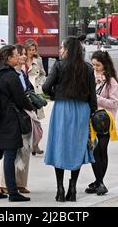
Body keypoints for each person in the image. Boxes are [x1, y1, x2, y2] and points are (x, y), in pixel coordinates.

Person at [43, 37, 97, 202]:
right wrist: (92, 111)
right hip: (81, 110)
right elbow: (92, 95)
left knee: (59, 144)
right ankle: (72, 187)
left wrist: (55, 94)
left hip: (62, 108)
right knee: (77, 146)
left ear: (67, 50)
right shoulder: (87, 68)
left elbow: (46, 87)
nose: (60, 50)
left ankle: (60, 188)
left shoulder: (59, 66)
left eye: (61, 48)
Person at [0, 45, 33, 202]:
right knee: (10, 154)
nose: (17, 57)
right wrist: (31, 106)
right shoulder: (10, 75)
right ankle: (13, 193)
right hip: (8, 119)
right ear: (8, 58)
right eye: (14, 55)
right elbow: (20, 98)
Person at [0, 44, 34, 195]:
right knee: (10, 151)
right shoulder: (9, 73)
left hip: (25, 114)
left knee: (25, 149)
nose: (24, 56)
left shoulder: (23, 72)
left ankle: (20, 183)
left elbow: (29, 89)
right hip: (15, 115)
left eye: (25, 54)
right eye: (20, 54)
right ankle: (5, 183)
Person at [85, 50, 118, 196]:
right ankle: (98, 182)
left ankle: (100, 182)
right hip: (91, 120)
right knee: (94, 151)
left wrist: (97, 98)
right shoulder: (90, 78)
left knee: (101, 151)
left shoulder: (111, 81)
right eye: (93, 65)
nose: (95, 68)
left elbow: (114, 103)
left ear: (105, 65)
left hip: (105, 121)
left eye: (98, 65)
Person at [24, 39, 46, 155]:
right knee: (26, 118)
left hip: (35, 92)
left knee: (36, 119)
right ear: (26, 50)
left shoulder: (38, 60)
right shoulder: (21, 60)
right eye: (30, 50)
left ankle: (36, 145)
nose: (32, 52)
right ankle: (28, 144)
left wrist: (40, 83)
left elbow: (43, 73)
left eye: (33, 50)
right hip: (24, 92)